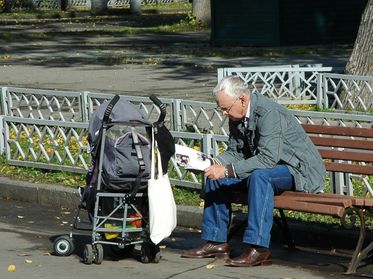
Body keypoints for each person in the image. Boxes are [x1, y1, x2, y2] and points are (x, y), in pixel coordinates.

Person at [181, 76, 326, 267]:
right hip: (269, 168)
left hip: (298, 170)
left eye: (225, 108)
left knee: (259, 176)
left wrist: (227, 171)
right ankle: (216, 241)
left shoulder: (268, 112)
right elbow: (235, 151)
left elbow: (267, 159)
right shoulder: (236, 114)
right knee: (215, 177)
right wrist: (212, 163)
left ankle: (259, 249)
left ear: (242, 99)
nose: (223, 113)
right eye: (221, 108)